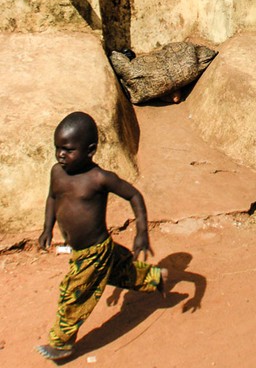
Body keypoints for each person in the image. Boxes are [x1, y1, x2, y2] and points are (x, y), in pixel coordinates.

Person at [36, 111, 167, 360]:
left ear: (90, 150)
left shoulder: (99, 179)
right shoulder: (57, 173)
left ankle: (62, 343)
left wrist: (141, 232)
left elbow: (134, 195)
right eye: (57, 148)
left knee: (74, 293)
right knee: (119, 273)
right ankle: (155, 278)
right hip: (82, 250)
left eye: (68, 149)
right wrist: (47, 227)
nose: (61, 154)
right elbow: (52, 198)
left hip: (94, 251)